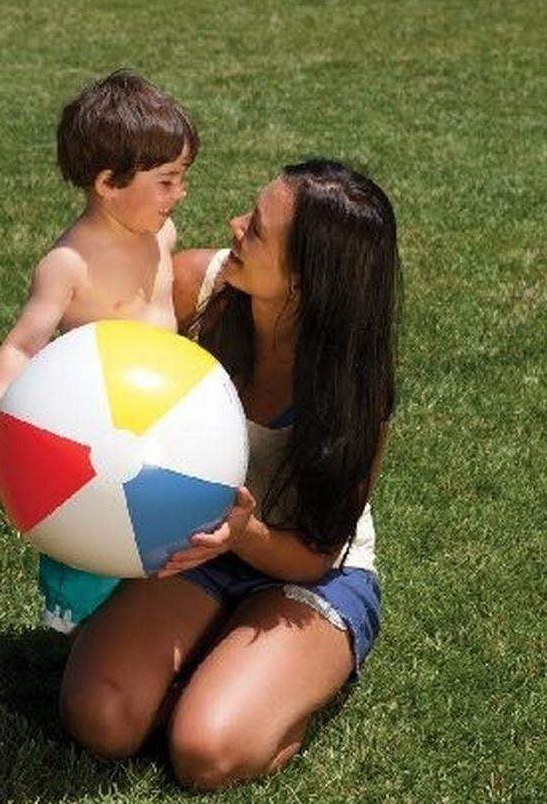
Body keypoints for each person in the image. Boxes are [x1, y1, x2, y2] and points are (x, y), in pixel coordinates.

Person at [59, 159, 400, 790]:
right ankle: (215, 659)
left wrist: (243, 533)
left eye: (257, 230)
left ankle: (269, 691)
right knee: (100, 718)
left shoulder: (355, 389)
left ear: (306, 280)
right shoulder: (196, 289)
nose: (234, 225)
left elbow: (315, 555)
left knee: (206, 753)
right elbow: (97, 364)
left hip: (310, 573)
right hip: (197, 548)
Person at [0, 69, 197, 632]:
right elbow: (23, 345)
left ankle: (146, 623)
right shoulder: (70, 264)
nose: (180, 194)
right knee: (92, 533)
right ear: (109, 183)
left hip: (161, 416)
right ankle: (68, 624)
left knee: (161, 529)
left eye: (182, 178)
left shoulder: (161, 236)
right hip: (94, 432)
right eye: (166, 181)